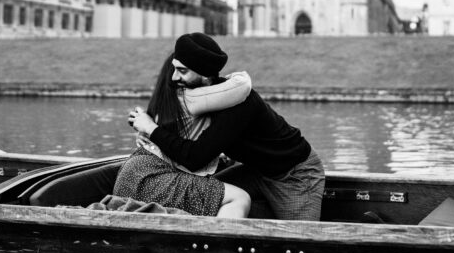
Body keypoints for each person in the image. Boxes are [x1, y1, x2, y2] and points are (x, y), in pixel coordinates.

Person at [130, 32, 326, 221]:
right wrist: (146, 129)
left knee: (299, 244)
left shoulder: (238, 105)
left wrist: (152, 129)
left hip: (295, 175)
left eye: (182, 71)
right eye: (174, 68)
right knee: (206, 197)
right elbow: (177, 127)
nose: (173, 77)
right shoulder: (203, 94)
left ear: (206, 77)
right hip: (254, 171)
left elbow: (194, 158)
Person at [113, 51, 252, 218]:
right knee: (239, 198)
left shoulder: (167, 100)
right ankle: (218, 243)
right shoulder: (192, 98)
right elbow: (242, 85)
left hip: (135, 173)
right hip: (151, 177)